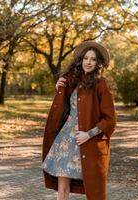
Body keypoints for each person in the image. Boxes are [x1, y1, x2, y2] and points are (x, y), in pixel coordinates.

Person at [41, 41, 116, 200]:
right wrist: (58, 88)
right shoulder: (73, 80)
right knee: (62, 187)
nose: (88, 62)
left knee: (93, 189)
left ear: (98, 63)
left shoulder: (101, 84)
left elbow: (110, 120)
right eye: (86, 58)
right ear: (81, 60)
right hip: (65, 141)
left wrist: (88, 134)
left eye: (93, 59)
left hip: (85, 141)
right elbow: (64, 104)